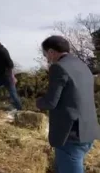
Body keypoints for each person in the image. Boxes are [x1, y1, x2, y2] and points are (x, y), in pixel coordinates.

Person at [37, 35, 100, 173]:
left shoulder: (58, 67)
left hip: (70, 133)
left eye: (45, 54)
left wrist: (39, 102)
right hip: (88, 130)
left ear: (51, 52)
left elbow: (50, 102)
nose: (46, 58)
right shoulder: (83, 66)